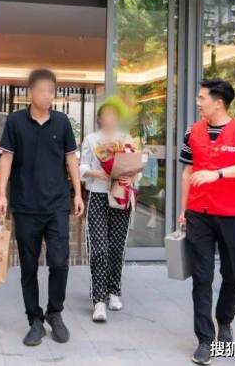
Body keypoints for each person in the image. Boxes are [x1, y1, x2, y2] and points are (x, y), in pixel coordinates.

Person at [178, 79, 235, 365]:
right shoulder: (192, 131)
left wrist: (219, 173)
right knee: (201, 278)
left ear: (218, 103)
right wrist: (183, 209)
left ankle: (224, 320)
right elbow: (188, 171)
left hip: (231, 214)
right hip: (198, 213)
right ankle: (205, 339)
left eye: (201, 98)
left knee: (232, 274)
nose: (198, 102)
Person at [0, 68, 84, 346]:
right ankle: (34, 319)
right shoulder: (15, 121)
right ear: (30, 93)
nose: (48, 96)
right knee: (29, 267)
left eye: (52, 91)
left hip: (57, 204)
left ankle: (54, 313)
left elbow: (71, 159)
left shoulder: (62, 122)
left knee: (59, 263)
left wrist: (77, 193)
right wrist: (1, 195)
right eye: (43, 91)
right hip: (25, 206)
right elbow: (6, 159)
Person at [79, 98, 136, 322]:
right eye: (106, 115)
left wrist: (131, 176)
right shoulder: (91, 139)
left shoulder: (126, 139)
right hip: (98, 196)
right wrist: (97, 174)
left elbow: (135, 167)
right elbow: (81, 166)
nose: (109, 118)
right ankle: (99, 300)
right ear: (100, 118)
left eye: (113, 115)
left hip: (120, 196)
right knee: (99, 248)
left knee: (116, 247)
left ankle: (114, 291)